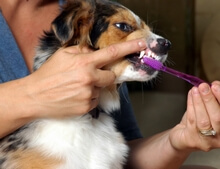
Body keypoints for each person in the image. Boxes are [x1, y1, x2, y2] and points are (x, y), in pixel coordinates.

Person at [0, 1, 220, 169]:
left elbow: (128, 155)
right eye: (124, 27)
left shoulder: (97, 7)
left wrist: (179, 140)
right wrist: (36, 94)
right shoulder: (84, 17)